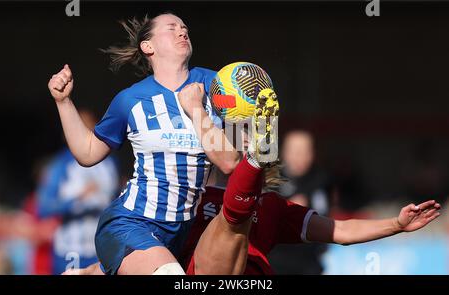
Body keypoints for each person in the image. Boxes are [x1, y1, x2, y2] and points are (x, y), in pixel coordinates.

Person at [68, 128, 442, 275]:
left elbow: (341, 230)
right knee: (232, 219)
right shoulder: (183, 204)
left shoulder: (273, 207)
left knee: (238, 216)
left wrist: (395, 224)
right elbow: (131, 256)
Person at [48, 13, 240, 275]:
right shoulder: (130, 99)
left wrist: (199, 109)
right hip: (130, 222)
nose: (182, 32)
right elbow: (88, 152)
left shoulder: (219, 86)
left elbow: (231, 161)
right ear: (147, 47)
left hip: (181, 231)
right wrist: (63, 102)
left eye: (184, 28)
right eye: (171, 29)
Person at [37, 110, 120, 274]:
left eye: (88, 126)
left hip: (102, 248)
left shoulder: (110, 163)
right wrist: (78, 198)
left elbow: (115, 199)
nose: (83, 131)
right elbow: (44, 207)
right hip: (71, 249)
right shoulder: (60, 164)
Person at [269, 130, 333, 274]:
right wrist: (288, 208)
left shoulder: (321, 180)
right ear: (284, 152)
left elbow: (326, 216)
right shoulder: (271, 181)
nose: (301, 157)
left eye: (305, 151)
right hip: (278, 263)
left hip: (310, 263)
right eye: (296, 151)